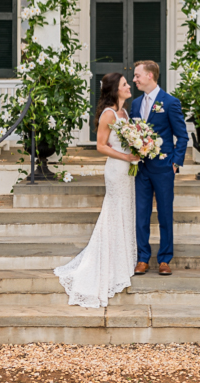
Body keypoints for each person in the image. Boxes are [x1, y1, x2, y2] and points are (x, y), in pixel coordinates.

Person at [53, 72, 138, 308]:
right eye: (124, 84)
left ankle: (124, 259)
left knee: (125, 211)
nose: (129, 86)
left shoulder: (124, 113)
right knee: (114, 212)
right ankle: (107, 263)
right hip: (116, 170)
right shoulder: (109, 114)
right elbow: (101, 146)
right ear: (115, 90)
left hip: (128, 169)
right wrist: (126, 156)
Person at [130, 60, 188, 276]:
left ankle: (164, 259)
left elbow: (182, 135)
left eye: (137, 75)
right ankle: (143, 258)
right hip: (141, 168)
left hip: (163, 167)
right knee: (141, 214)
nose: (134, 79)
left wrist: (175, 163)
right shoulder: (135, 104)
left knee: (165, 213)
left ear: (150, 76)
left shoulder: (170, 102)